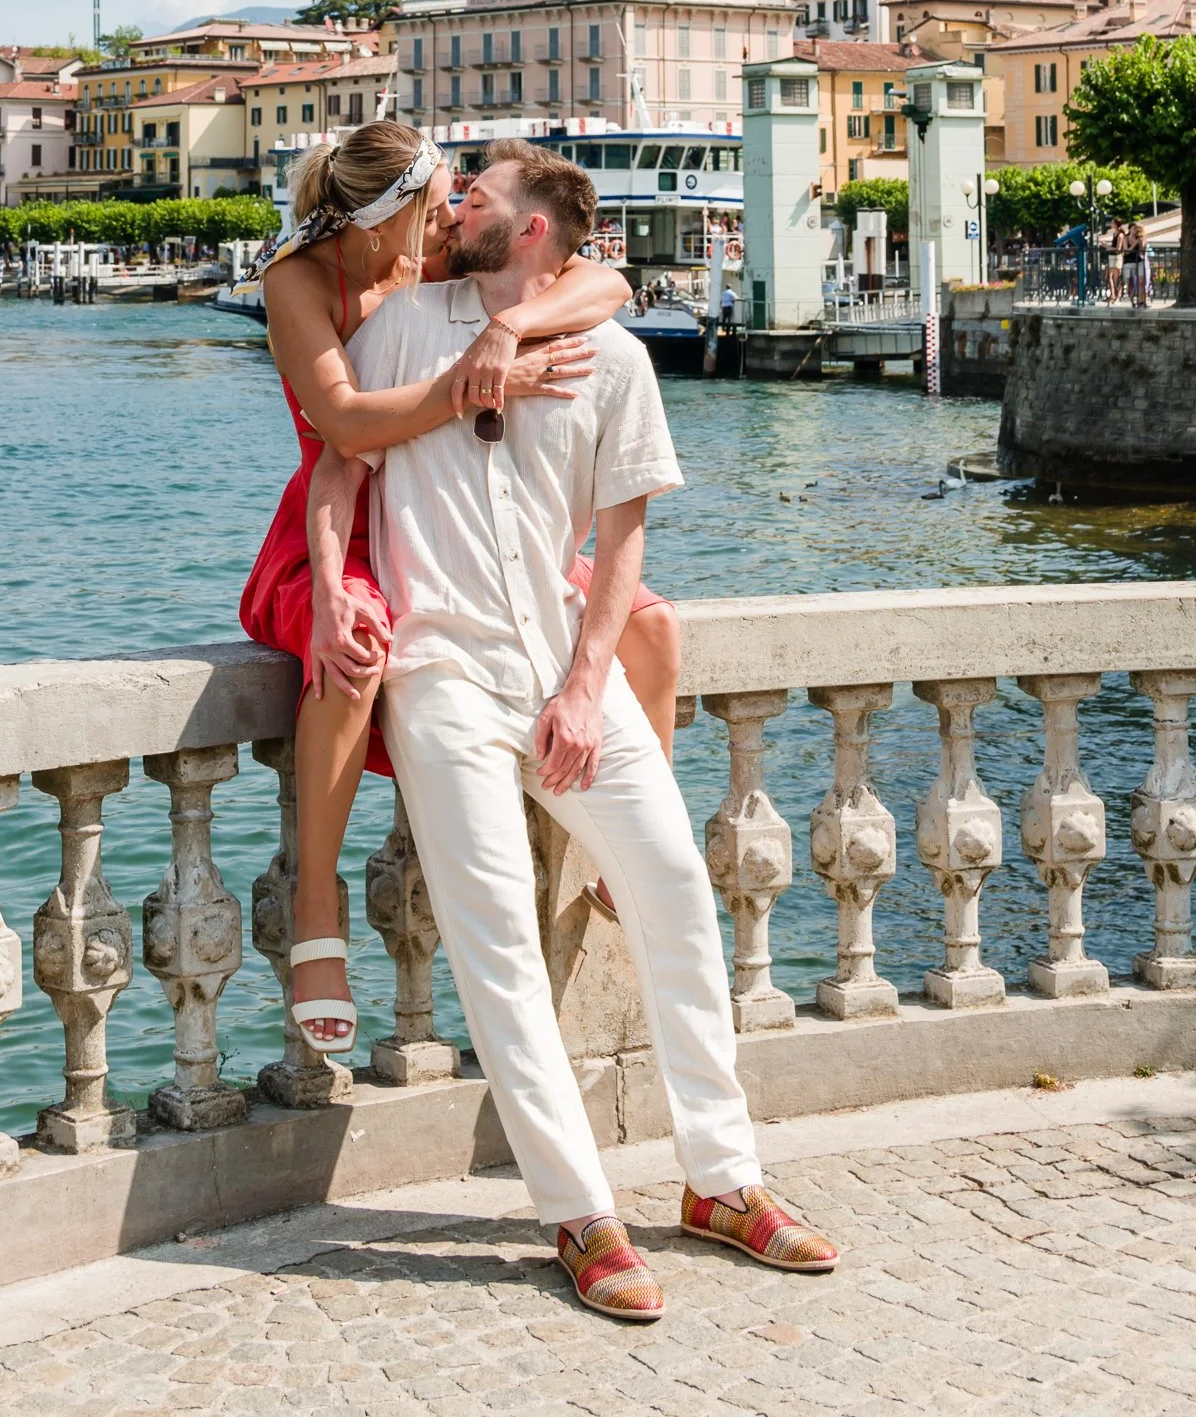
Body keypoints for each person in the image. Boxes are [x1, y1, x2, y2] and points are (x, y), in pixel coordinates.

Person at [320, 141, 836, 1323]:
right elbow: (344, 461)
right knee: (493, 933)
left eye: (477, 198)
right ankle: (578, 1211)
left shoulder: (613, 356)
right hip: (440, 669)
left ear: (533, 228)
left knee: (674, 890)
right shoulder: (399, 330)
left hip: (565, 667)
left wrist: (586, 684)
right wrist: (337, 582)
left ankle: (724, 1180)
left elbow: (623, 538)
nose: (454, 208)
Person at [239, 122, 678, 1057]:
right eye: (443, 200)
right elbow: (345, 426)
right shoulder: (298, 282)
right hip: (342, 520)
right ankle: (317, 908)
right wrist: (485, 381)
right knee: (355, 651)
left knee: (651, 628)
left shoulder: (433, 255)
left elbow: (604, 282)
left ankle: (630, 847)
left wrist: (510, 328)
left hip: (449, 515)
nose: (454, 216)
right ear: (391, 213)